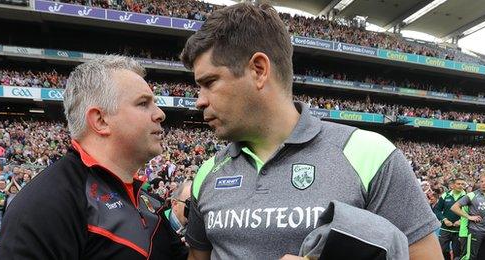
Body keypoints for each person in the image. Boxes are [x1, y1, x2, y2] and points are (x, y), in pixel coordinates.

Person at [179, 3, 442, 259]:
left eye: (209, 82)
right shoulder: (207, 172)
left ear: (258, 70)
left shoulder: (370, 155)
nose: (199, 100)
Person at [0, 55, 187, 259]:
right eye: (143, 103)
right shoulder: (46, 204)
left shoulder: (147, 199)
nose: (160, 114)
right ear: (100, 120)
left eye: (155, 103)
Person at [451, 173, 485, 260]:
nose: (483, 183)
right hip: (475, 231)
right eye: (481, 181)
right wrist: (469, 216)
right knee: (470, 257)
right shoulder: (471, 195)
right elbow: (454, 207)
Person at [434, 177, 467, 260]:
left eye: (462, 184)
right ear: (453, 185)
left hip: (459, 230)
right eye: (458, 184)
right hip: (445, 229)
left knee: (457, 253)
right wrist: (444, 219)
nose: (460, 186)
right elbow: (437, 210)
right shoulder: (445, 195)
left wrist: (461, 221)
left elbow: (470, 213)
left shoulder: (467, 197)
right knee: (443, 251)